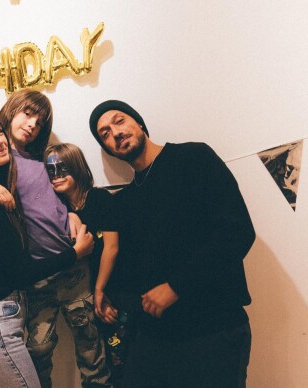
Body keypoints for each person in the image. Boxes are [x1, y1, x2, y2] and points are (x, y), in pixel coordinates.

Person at [0, 90, 112, 388]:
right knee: (39, 350)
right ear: (10, 111)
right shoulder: (3, 167)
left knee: (90, 346)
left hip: (73, 270)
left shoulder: (43, 159)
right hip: (37, 278)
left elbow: (59, 195)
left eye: (40, 121)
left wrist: (71, 214)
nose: (33, 124)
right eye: (27, 114)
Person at [88, 100, 256, 388]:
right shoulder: (128, 199)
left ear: (138, 123)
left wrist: (176, 286)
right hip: (157, 336)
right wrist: (100, 290)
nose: (114, 132)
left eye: (119, 121)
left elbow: (237, 231)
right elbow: (125, 260)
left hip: (213, 327)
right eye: (104, 133)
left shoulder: (193, 158)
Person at [44, 143, 131, 386]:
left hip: (113, 286)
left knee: (121, 358)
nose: (57, 176)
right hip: (81, 293)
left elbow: (112, 247)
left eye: (62, 168)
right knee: (95, 355)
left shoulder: (99, 198)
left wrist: (100, 291)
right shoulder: (57, 210)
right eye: (50, 171)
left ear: (77, 167)